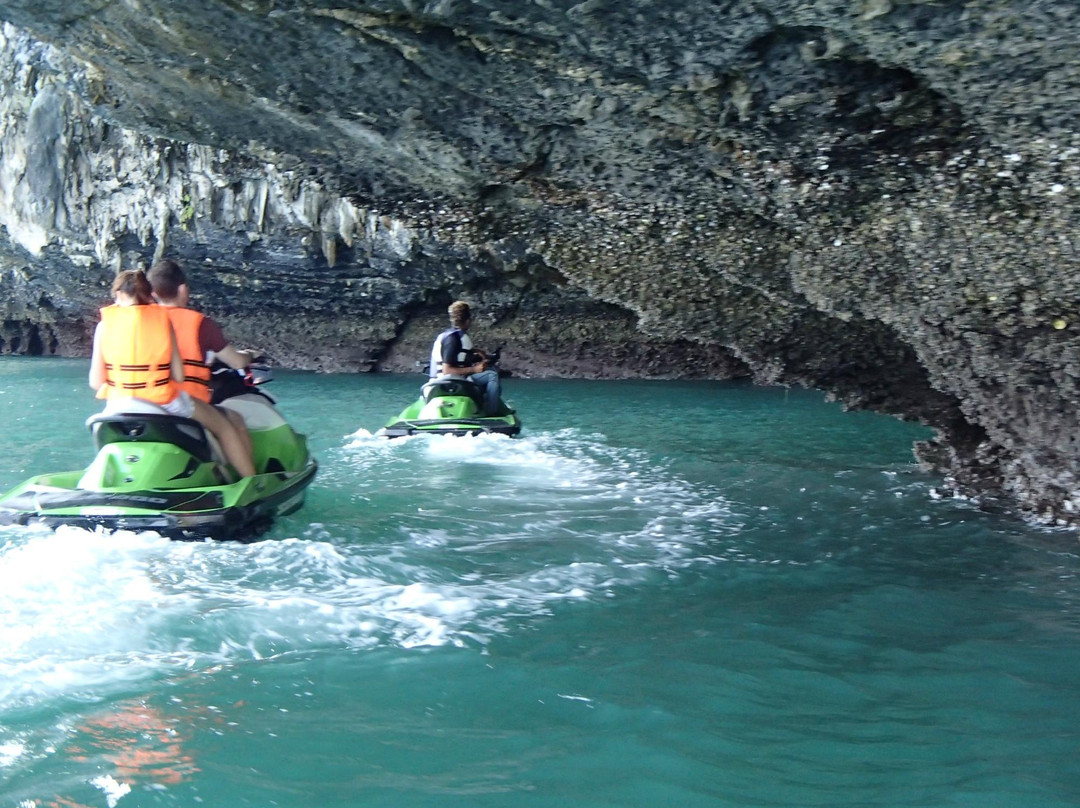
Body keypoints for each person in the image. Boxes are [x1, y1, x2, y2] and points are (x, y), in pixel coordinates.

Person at [88, 269, 256, 478]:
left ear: (118, 294)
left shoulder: (104, 326)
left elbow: (96, 382)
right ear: (149, 295)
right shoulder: (162, 322)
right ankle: (251, 482)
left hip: (118, 404)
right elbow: (178, 375)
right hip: (164, 401)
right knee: (225, 427)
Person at [146, 258, 254, 458]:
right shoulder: (201, 324)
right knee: (234, 422)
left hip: (145, 400)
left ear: (153, 294)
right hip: (184, 402)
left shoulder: (143, 321)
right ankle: (250, 480)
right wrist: (249, 355)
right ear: (183, 289)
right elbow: (236, 362)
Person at [429, 300, 503, 415]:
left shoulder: (447, 336)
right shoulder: (453, 339)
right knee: (492, 375)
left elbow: (456, 356)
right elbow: (447, 370)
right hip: (452, 383)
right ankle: (492, 413)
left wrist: (474, 353)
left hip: (437, 382)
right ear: (468, 321)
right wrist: (474, 369)